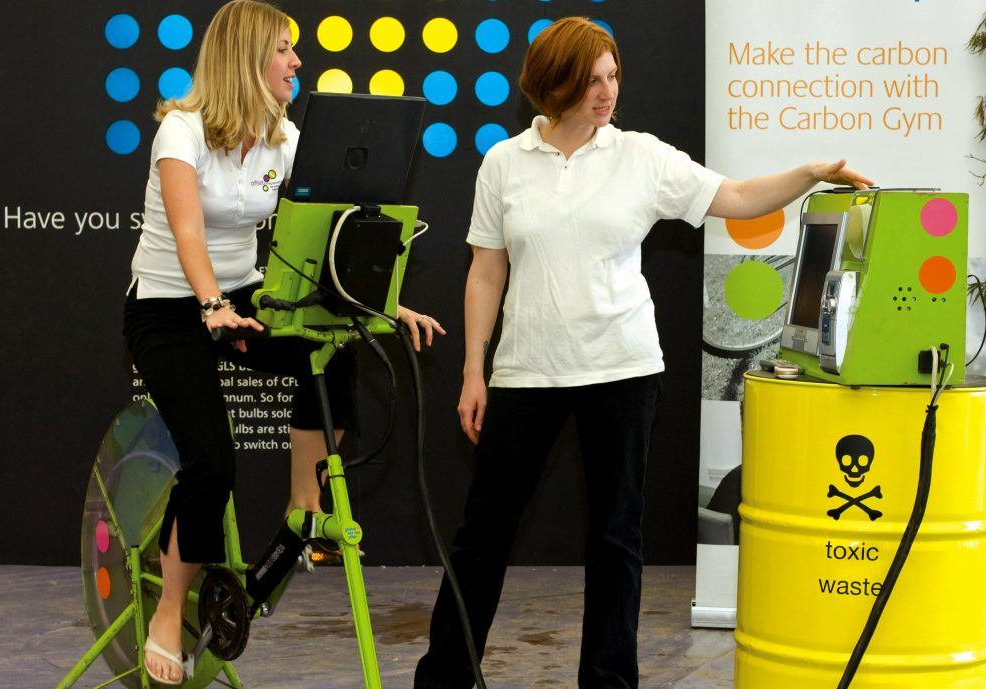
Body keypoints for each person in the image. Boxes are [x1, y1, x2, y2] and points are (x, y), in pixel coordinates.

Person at [413, 16, 871, 689]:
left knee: (614, 540)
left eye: (612, 76)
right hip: (524, 373)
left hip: (623, 371)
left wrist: (809, 172)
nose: (607, 92)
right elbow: (486, 271)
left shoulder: (642, 156)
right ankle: (445, 677)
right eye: (591, 79)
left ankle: (608, 681)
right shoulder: (504, 162)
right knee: (483, 534)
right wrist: (474, 370)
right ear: (554, 83)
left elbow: (738, 198)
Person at [122, 1, 444, 683]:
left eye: (295, 50)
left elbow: (331, 238)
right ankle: (169, 607)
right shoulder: (181, 131)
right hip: (167, 307)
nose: (297, 62)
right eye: (284, 50)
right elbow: (186, 235)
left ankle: (304, 506)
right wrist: (209, 304)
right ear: (247, 59)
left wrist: (382, 305)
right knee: (211, 460)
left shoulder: (285, 138)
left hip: (241, 295)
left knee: (333, 340)